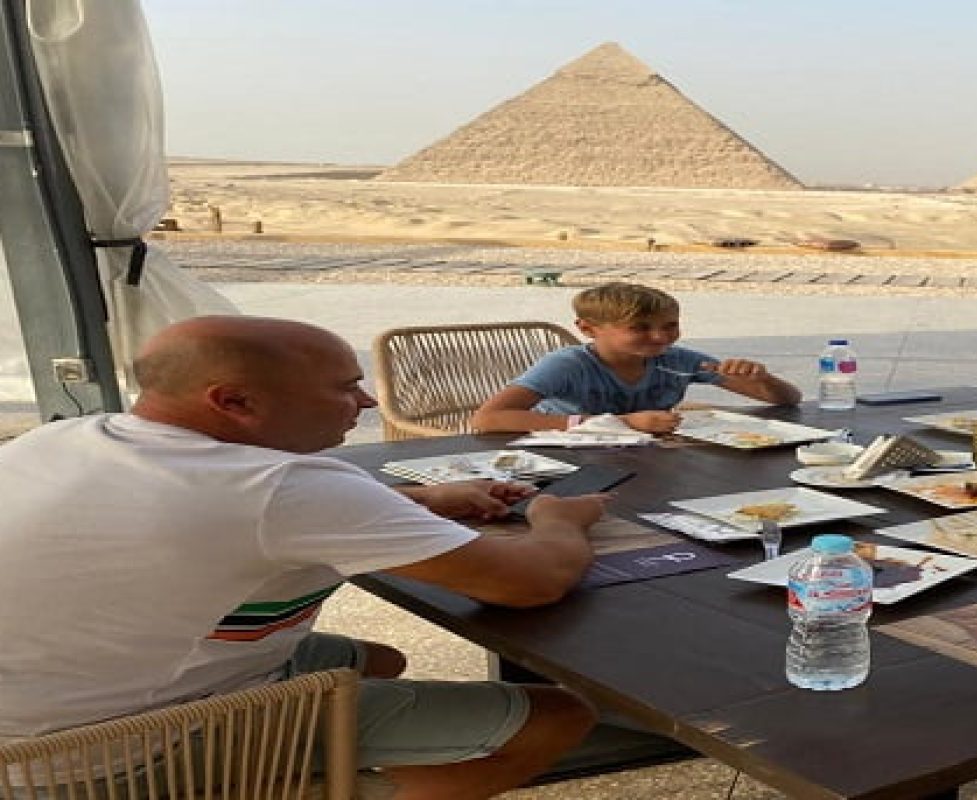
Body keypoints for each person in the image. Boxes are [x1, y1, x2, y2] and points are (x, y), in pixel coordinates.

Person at [0, 316, 608, 798]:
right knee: (558, 716)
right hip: (101, 755)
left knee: (378, 659)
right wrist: (557, 519)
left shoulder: (69, 437)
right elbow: (533, 582)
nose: (368, 402)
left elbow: (218, 516)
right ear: (235, 401)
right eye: (345, 386)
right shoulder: (286, 488)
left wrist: (422, 500)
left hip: (28, 716)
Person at [472, 282, 801, 434]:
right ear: (588, 328)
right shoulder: (568, 365)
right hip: (565, 462)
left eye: (670, 326)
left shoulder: (676, 360)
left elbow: (787, 401)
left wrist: (764, 380)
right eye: (640, 328)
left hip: (641, 458)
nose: (660, 337)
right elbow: (488, 420)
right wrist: (619, 424)